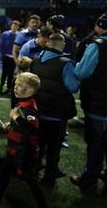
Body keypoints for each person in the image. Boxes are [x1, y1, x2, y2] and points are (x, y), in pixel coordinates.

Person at [0, 72, 47, 208]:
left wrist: (16, 118)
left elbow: (33, 129)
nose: (15, 87)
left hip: (24, 153)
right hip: (14, 150)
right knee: (4, 175)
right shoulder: (21, 103)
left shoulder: (30, 109)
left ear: (31, 90)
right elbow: (22, 126)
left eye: (20, 86)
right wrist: (11, 126)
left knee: (30, 180)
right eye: (15, 84)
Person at [30, 33, 79, 187]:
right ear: (62, 45)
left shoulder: (36, 61)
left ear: (48, 43)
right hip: (57, 114)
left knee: (39, 143)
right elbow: (73, 87)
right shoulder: (66, 63)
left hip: (38, 111)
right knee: (54, 147)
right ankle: (50, 174)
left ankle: (34, 170)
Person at [70, 12, 107, 191]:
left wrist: (74, 67)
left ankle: (90, 178)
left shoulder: (97, 45)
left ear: (101, 26)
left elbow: (82, 72)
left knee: (95, 144)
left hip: (98, 104)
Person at [0, 20, 20, 93]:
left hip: (14, 57)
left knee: (11, 73)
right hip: (6, 56)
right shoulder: (5, 34)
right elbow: (1, 44)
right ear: (11, 26)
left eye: (16, 26)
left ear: (18, 28)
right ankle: (1, 86)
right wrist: (3, 53)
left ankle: (9, 87)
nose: (14, 27)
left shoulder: (19, 35)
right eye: (13, 26)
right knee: (4, 72)